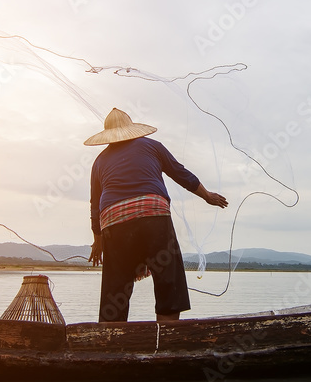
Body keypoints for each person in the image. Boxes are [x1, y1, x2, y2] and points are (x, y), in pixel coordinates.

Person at [85, 108, 227, 323]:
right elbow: (180, 173)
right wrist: (207, 196)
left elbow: (95, 205)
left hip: (113, 221)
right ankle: (167, 334)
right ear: (131, 129)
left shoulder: (99, 162)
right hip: (153, 213)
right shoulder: (152, 146)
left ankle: (112, 337)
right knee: (168, 276)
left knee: (116, 283)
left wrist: (98, 241)